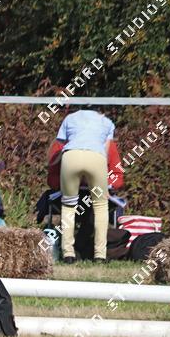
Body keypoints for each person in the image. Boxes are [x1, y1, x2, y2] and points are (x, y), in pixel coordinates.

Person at [50, 107, 117, 263]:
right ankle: (100, 255)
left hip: (71, 156)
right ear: (101, 110)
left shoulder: (69, 118)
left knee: (68, 206)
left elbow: (59, 146)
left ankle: (68, 254)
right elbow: (107, 151)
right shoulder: (107, 122)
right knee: (101, 206)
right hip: (96, 157)